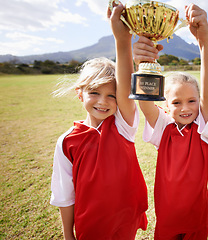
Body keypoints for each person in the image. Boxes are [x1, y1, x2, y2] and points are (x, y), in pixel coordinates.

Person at [50, 3, 148, 239]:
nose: (103, 102)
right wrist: (67, 234)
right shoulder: (66, 142)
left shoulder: (123, 126)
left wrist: (122, 39)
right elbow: (65, 194)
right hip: (89, 225)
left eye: (111, 95)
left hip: (125, 220)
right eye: (94, 92)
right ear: (79, 93)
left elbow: (126, 88)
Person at [133, 4, 208, 239]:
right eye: (177, 102)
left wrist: (204, 41)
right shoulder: (164, 128)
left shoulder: (204, 129)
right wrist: (143, 62)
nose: (185, 108)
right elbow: (144, 102)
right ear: (166, 106)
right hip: (167, 219)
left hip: (197, 218)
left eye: (192, 101)